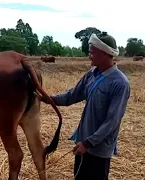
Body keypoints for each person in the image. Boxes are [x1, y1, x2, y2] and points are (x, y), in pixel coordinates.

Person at [41, 32, 130, 180]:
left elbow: (112, 121)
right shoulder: (91, 74)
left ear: (104, 53)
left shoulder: (120, 83)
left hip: (99, 149)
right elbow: (72, 96)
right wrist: (49, 99)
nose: (89, 56)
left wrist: (88, 143)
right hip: (82, 143)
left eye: (92, 52)